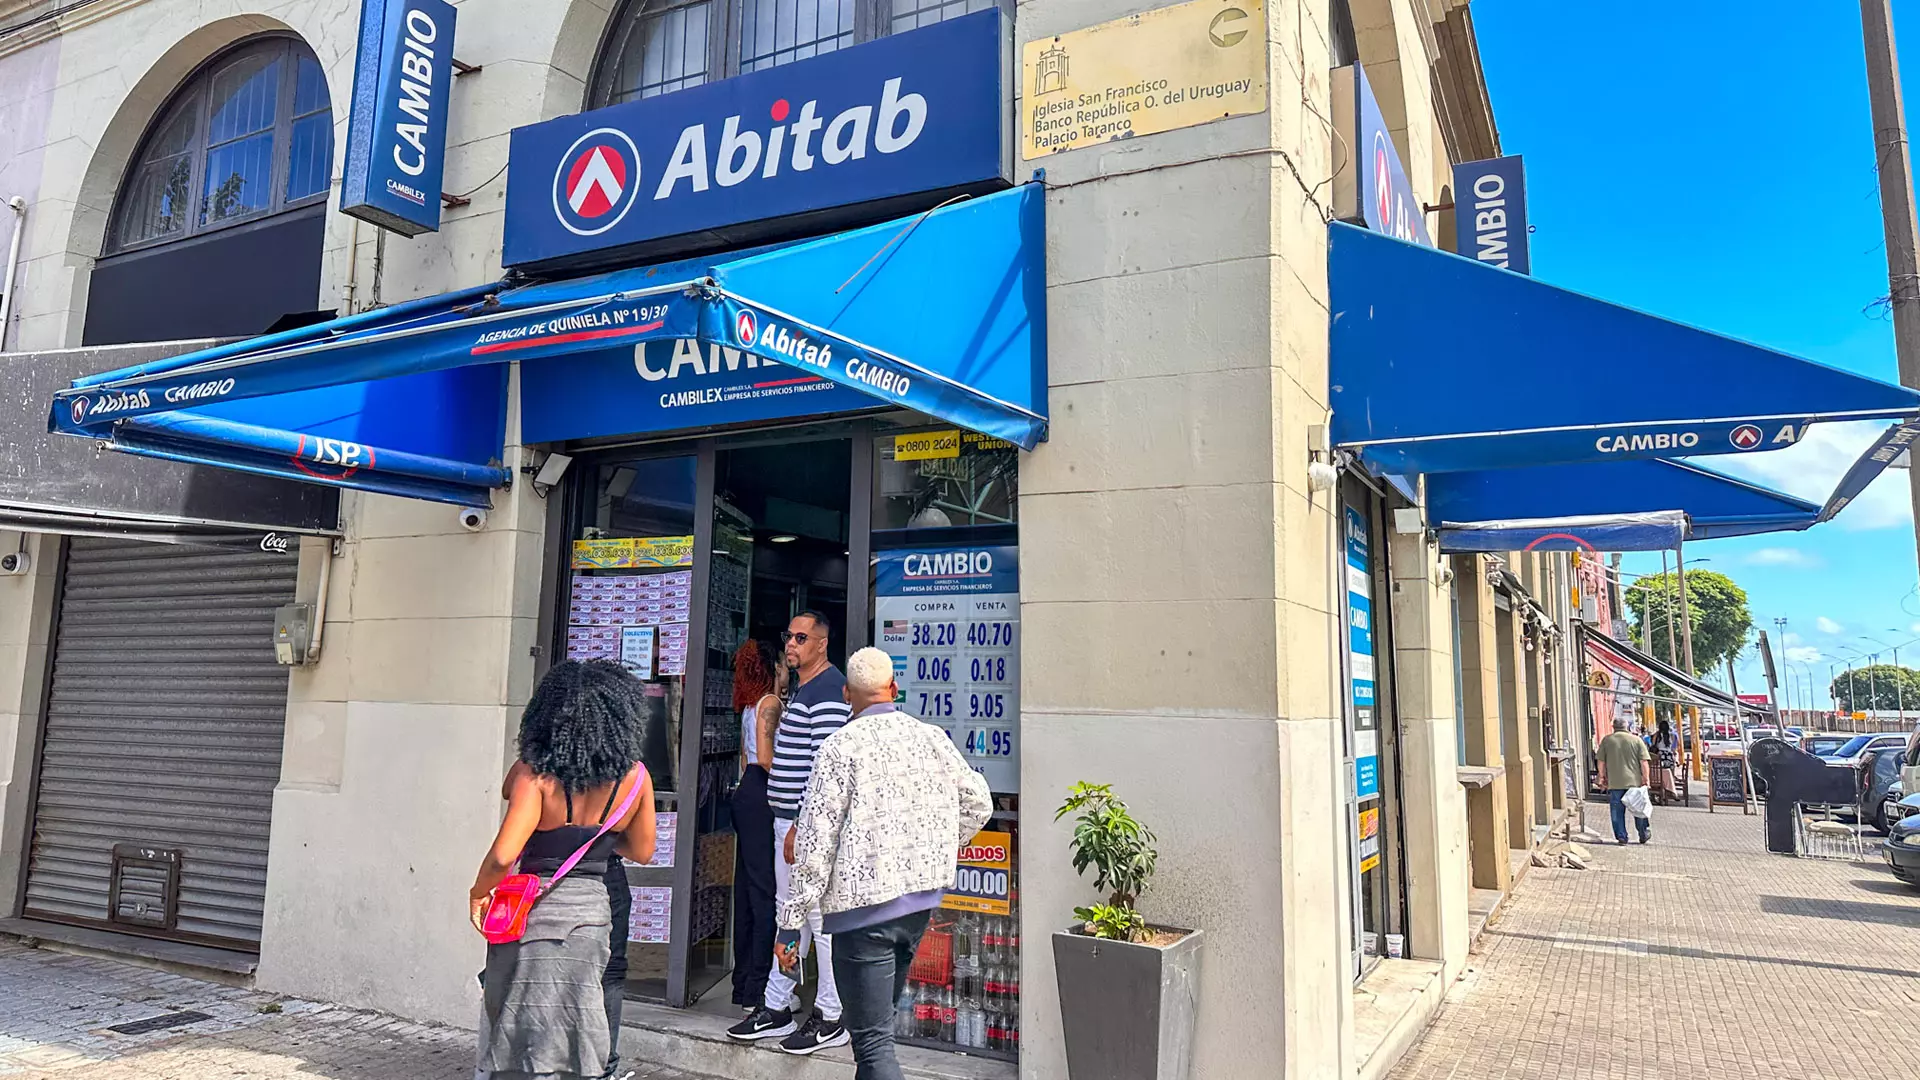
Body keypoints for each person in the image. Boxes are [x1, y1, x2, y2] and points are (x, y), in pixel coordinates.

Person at [775, 647, 992, 1080]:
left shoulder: (840, 748)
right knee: (877, 1032)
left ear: (846, 694)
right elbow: (978, 803)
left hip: (862, 915)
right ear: (894, 688)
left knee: (873, 1046)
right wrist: (934, 848)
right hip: (916, 907)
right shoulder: (931, 737)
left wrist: (788, 926)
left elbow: (815, 843)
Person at [471, 660, 657, 1080]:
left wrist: (478, 891)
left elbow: (503, 855)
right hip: (599, 894)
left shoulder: (536, 778)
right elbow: (643, 850)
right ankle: (600, 1070)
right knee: (596, 987)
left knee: (515, 989)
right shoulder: (636, 777)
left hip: (533, 898)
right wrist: (601, 837)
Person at [728, 611, 852, 1052]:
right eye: (789, 636)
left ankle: (831, 1015)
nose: (791, 644)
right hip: (785, 820)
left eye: (802, 637)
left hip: (804, 826)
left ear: (821, 643)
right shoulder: (804, 691)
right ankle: (778, 1004)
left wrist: (803, 824)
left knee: (818, 922)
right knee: (790, 917)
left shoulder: (828, 692)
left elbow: (827, 768)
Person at [729, 639, 783, 1010]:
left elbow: (749, 756)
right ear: (773, 667)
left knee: (747, 890)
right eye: (781, 662)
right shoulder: (772, 704)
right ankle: (760, 991)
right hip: (764, 794)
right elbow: (766, 759)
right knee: (766, 894)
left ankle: (742, 984)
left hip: (744, 793)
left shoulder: (750, 706)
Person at [1598, 716, 1651, 845]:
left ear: (1614, 727)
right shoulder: (1637, 740)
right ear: (1627, 727)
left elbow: (1601, 761)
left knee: (1617, 811)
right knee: (1639, 808)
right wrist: (1646, 779)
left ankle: (1622, 836)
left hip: (1615, 782)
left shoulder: (1607, 740)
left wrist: (1602, 776)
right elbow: (1643, 762)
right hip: (1634, 782)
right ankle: (1643, 833)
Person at [1650, 718, 1680, 805]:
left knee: (1657, 774)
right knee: (1668, 773)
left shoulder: (1656, 735)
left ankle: (1657, 794)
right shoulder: (1671, 736)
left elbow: (1653, 745)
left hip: (1659, 756)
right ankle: (1669, 791)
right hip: (1669, 756)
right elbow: (1674, 748)